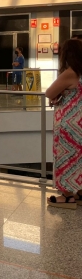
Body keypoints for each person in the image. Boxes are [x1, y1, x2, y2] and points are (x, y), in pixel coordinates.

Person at [45, 39, 82, 209]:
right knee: (78, 158)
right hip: (80, 123)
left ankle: (68, 196)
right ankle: (79, 191)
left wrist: (57, 95)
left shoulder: (70, 72)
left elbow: (49, 92)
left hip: (68, 124)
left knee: (65, 157)